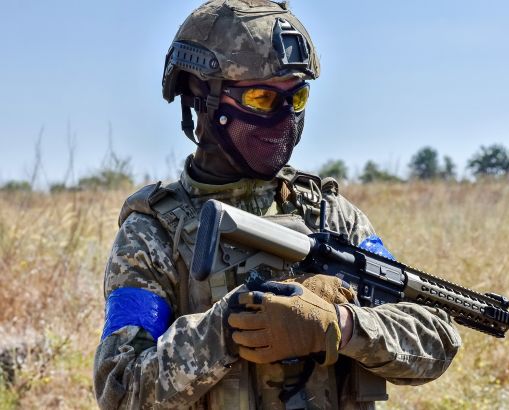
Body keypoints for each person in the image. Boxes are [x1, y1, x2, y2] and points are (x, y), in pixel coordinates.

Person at [93, 1, 461, 409]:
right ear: (201, 95)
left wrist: (339, 325)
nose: (285, 115)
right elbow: (120, 389)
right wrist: (229, 328)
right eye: (261, 98)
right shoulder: (153, 233)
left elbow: (436, 337)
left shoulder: (332, 217)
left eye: (297, 97)